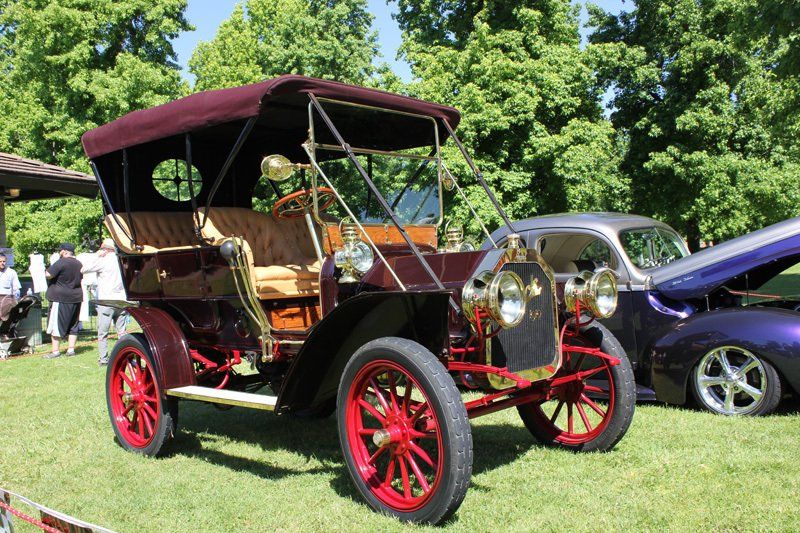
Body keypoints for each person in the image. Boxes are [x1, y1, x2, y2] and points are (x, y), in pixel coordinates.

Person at [80, 238, 128, 366]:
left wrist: (96, 256)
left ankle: (103, 358)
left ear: (105, 249)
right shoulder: (122, 261)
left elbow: (84, 268)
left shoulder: (103, 261)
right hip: (122, 300)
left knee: (103, 333)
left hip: (107, 301)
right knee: (122, 332)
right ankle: (126, 355)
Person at [43, 243, 83, 359]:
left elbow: (48, 274)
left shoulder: (61, 262)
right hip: (76, 297)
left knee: (56, 324)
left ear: (65, 252)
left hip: (60, 298)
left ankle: (55, 351)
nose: (59, 253)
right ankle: (71, 350)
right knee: (73, 323)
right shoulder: (79, 263)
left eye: (60, 251)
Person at [0, 253, 21, 323]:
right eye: (0, 261)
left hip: (7, 300)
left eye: (4, 261)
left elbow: (17, 288)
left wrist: (15, 299)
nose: (2, 263)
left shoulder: (11, 272)